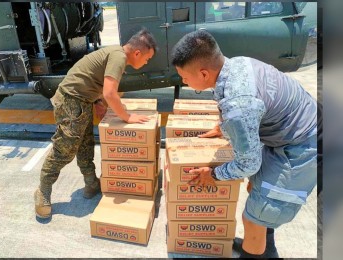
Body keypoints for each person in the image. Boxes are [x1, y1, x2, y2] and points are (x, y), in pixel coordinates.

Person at [171, 30, 317, 258]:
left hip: (303, 144)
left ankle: (256, 246)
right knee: (255, 189)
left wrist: (214, 174)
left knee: (253, 218)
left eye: (184, 76)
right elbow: (255, 109)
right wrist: (224, 128)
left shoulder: (238, 104)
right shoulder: (235, 65)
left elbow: (248, 163)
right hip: (288, 131)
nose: (183, 81)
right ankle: (263, 249)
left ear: (203, 73)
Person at [34, 29, 157, 219]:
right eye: (147, 59)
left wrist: (98, 102)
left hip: (82, 101)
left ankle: (91, 183)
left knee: (85, 145)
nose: (146, 63)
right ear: (137, 53)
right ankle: (43, 190)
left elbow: (92, 78)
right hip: (70, 101)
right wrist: (127, 117)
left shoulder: (117, 54)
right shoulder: (119, 57)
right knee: (64, 150)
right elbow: (110, 93)